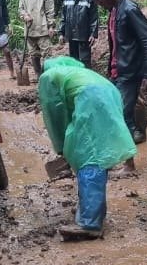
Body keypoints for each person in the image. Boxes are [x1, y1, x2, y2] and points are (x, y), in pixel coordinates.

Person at [37, 56, 137, 241]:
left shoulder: (49, 76)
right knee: (99, 152)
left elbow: (54, 114)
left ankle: (89, 223)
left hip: (90, 98)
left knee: (88, 155)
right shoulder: (79, 72)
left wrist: (61, 147)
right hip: (111, 93)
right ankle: (93, 210)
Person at [91, 0, 147, 163]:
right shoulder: (114, 11)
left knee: (122, 116)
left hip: (129, 73)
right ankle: (121, 154)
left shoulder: (129, 10)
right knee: (116, 111)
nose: (98, 0)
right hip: (118, 71)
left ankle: (129, 164)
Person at [18, 0, 57, 79]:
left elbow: (50, 11)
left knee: (47, 54)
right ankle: (38, 75)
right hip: (30, 29)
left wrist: (51, 26)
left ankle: (48, 76)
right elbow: (20, 9)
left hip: (42, 29)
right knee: (33, 54)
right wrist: (25, 15)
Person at [58, 0, 99, 69]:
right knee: (73, 60)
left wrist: (93, 34)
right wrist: (61, 33)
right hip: (71, 35)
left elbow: (94, 17)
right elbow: (63, 16)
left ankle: (86, 77)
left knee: (85, 61)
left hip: (84, 35)